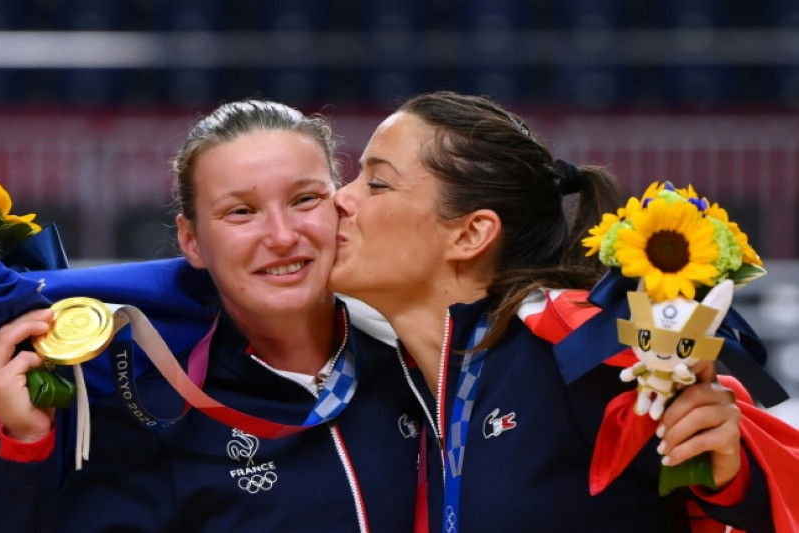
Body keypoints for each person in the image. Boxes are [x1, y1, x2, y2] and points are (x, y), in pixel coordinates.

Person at [328, 91, 782, 532]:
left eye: (377, 183)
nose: (340, 199)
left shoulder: (578, 343)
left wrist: (733, 473)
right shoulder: (396, 384)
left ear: (470, 235)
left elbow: (734, 472)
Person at [0, 100, 423, 532]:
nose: (283, 236)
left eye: (305, 199)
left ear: (341, 207)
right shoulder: (154, 414)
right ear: (191, 241)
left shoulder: (417, 364)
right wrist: (27, 444)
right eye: (241, 211)